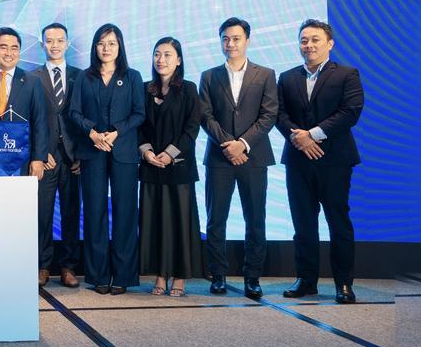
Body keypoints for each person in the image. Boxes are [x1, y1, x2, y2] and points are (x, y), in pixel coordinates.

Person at [277, 19, 365, 304]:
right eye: (304, 40)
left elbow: (351, 111)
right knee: (303, 224)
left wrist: (312, 135)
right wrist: (299, 139)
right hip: (298, 160)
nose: (309, 45)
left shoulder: (347, 74)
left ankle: (344, 284)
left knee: (338, 222)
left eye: (315, 39)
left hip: (335, 160)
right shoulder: (287, 77)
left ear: (330, 43)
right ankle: (306, 280)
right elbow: (279, 114)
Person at [199, 17, 278, 299]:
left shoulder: (265, 74)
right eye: (225, 39)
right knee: (215, 220)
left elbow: (269, 115)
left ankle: (252, 277)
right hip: (219, 158)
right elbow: (205, 115)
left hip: (254, 158)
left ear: (247, 41)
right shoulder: (209, 76)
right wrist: (228, 145)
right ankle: (218, 276)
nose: (230, 43)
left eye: (236, 38)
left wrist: (242, 144)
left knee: (255, 219)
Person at [0, 27, 53, 285]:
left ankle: (32, 266)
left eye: (14, 47)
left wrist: (38, 158)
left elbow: (40, 121)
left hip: (22, 160)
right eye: (3, 47)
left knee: (24, 215)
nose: (9, 52)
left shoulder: (32, 81)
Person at [70, 24, 145, 295]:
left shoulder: (133, 76)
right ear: (95, 47)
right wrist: (92, 133)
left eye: (112, 43)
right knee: (94, 212)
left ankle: (123, 275)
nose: (106, 48)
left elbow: (139, 113)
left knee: (125, 213)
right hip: (92, 152)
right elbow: (74, 112)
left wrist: (116, 133)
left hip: (123, 152)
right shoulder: (84, 77)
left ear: (120, 46)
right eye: (102, 43)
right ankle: (98, 275)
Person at [138, 38, 204, 297]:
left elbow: (192, 128)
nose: (161, 59)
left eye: (167, 54)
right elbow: (139, 126)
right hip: (151, 167)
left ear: (178, 60)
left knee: (179, 223)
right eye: (157, 54)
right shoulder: (145, 89)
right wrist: (146, 152)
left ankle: (179, 276)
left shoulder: (188, 89)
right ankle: (159, 274)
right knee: (155, 223)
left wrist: (169, 153)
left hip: (178, 167)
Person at [30, 23, 84, 288]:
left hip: (73, 158)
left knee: (72, 212)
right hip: (46, 158)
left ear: (67, 43)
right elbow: (29, 119)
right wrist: (40, 153)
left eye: (59, 40)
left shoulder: (81, 76)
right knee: (42, 213)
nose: (54, 45)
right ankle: (42, 265)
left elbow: (87, 116)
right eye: (49, 41)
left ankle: (68, 267)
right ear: (42, 44)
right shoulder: (32, 77)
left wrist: (82, 154)